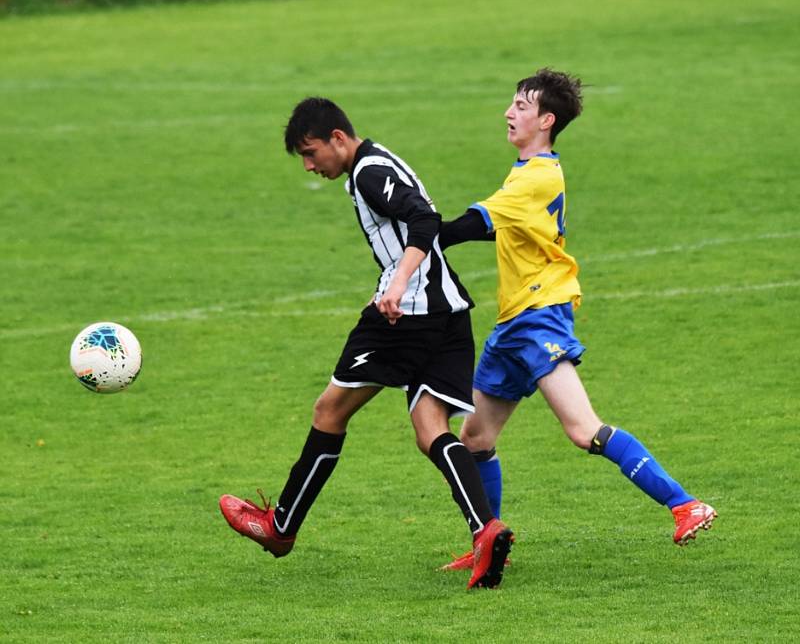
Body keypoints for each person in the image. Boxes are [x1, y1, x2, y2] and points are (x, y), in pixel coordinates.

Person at [219, 97, 514, 589]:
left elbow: (421, 220)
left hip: (403, 316)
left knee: (329, 412)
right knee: (431, 429)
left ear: (338, 137)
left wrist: (397, 283)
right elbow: (433, 224)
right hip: (449, 315)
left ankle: (281, 528)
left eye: (312, 153)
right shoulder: (382, 162)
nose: (311, 166)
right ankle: (486, 531)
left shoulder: (370, 173)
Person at [437, 69, 717, 571]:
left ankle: (685, 504)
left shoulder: (537, 174)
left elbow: (473, 224)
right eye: (512, 103)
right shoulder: (528, 174)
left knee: (583, 428)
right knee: (475, 439)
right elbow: (499, 231)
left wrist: (417, 231)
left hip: (540, 318)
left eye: (522, 105)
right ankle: (487, 540)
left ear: (546, 120)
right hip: (512, 323)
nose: (509, 111)